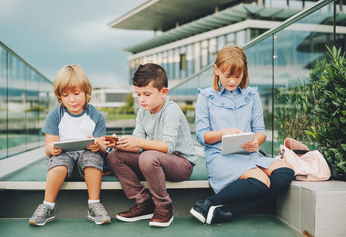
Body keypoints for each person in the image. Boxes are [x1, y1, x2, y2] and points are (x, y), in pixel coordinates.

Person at [190, 45, 295, 224]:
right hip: (220, 157)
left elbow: (260, 131)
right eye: (227, 75)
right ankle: (206, 204)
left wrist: (256, 141)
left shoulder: (252, 95)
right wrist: (223, 133)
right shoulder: (206, 97)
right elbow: (201, 136)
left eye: (237, 76)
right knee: (261, 181)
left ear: (244, 73)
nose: (232, 81)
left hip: (249, 154)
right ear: (216, 70)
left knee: (286, 172)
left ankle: (228, 212)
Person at [105, 63, 197, 227]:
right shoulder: (143, 111)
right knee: (114, 156)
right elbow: (137, 145)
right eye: (138, 94)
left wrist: (138, 142)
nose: (141, 99)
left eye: (147, 94)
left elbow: (167, 146)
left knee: (148, 157)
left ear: (163, 92)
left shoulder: (171, 109)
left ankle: (163, 207)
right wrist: (119, 144)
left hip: (181, 164)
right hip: (155, 160)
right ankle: (144, 202)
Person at [29, 64, 111, 226]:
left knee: (92, 157)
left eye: (76, 93)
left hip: (87, 164)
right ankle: (47, 206)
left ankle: (94, 204)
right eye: (65, 95)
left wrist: (97, 146)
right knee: (59, 161)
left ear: (86, 92)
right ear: (60, 96)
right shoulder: (55, 115)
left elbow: (102, 147)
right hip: (63, 163)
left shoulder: (95, 115)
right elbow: (48, 148)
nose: (71, 99)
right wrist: (52, 148)